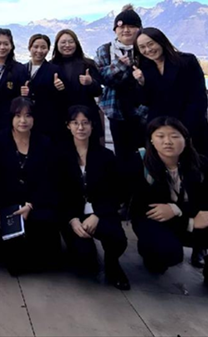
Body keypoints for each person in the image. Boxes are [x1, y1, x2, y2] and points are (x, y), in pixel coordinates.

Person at [126, 117, 208, 312]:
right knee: (167, 254)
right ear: (151, 140)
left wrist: (180, 212)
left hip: (196, 220)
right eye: (160, 136)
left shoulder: (200, 163)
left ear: (185, 139)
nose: (168, 142)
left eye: (174, 136)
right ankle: (151, 256)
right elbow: (140, 208)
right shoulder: (139, 162)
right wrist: (186, 219)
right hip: (155, 221)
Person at [0, 97, 61, 276]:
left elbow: (49, 180)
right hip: (8, 205)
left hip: (35, 204)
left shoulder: (44, 143)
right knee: (14, 266)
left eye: (28, 115)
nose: (23, 120)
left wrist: (32, 205)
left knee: (50, 258)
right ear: (11, 117)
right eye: (18, 115)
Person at [60, 106, 129, 290]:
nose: (80, 127)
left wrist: (98, 214)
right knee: (85, 262)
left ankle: (113, 263)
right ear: (68, 126)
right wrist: (72, 219)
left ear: (92, 125)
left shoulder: (106, 156)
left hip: (100, 212)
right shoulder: (60, 155)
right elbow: (57, 192)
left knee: (118, 239)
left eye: (85, 123)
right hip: (73, 215)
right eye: (75, 123)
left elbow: (117, 192)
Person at [134, 27, 208, 160]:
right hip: (159, 129)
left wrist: (183, 129)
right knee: (161, 168)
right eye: (142, 47)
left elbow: (199, 97)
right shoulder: (144, 67)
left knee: (195, 166)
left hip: (189, 126)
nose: (148, 50)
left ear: (161, 41)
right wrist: (141, 83)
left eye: (151, 44)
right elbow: (145, 101)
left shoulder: (186, 61)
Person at [95, 4, 148, 159]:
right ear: (115, 30)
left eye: (131, 26)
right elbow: (101, 77)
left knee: (148, 154)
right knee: (123, 155)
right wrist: (119, 65)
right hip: (116, 111)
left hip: (145, 111)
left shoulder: (146, 48)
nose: (126, 30)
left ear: (139, 29)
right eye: (122, 27)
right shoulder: (104, 50)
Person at [50, 29, 105, 144]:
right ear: (57, 45)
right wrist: (54, 88)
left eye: (71, 42)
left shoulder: (88, 64)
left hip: (86, 115)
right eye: (63, 42)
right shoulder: (50, 66)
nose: (67, 45)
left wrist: (90, 83)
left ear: (76, 44)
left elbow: (99, 91)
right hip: (60, 116)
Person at [21, 33, 68, 140]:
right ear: (29, 48)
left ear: (48, 49)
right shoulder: (21, 69)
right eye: (36, 47)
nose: (39, 50)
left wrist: (61, 89)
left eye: (43, 47)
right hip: (26, 118)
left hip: (48, 119)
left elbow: (64, 98)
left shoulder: (55, 70)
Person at [0, 28, 27, 136]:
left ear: (11, 46)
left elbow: (21, 97)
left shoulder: (19, 69)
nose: (2, 47)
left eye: (6, 44)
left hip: (7, 119)